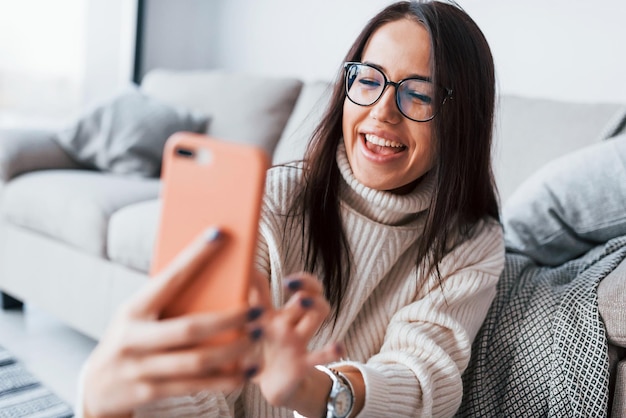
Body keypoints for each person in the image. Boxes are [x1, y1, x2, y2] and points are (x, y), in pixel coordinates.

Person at [80, 1, 505, 417]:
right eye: (369, 80)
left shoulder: (471, 243)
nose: (381, 112)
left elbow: (423, 386)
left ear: (462, 118)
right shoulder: (275, 201)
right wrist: (110, 405)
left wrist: (314, 390)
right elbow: (203, 386)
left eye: (419, 94)